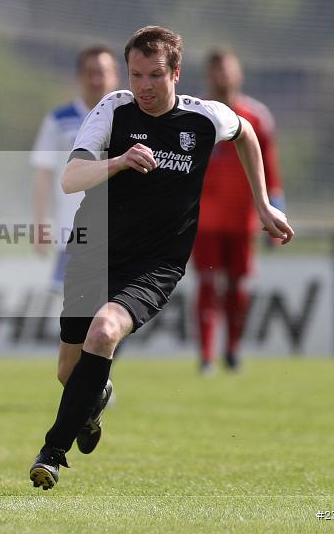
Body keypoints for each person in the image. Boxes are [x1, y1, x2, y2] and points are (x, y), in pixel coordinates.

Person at [29, 26, 293, 490]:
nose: (144, 86)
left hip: (156, 263)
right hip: (92, 248)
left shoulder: (204, 118)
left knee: (105, 330)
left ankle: (52, 452)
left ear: (175, 73)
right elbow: (71, 179)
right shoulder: (113, 109)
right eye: (135, 75)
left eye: (154, 75)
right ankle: (95, 398)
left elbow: (247, 131)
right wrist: (119, 161)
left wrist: (263, 202)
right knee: (69, 372)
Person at [193, 47, 284, 374]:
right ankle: (205, 356)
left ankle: (232, 352)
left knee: (238, 287)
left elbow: (270, 169)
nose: (223, 76)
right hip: (204, 221)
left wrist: (277, 208)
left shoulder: (257, 117)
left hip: (243, 220)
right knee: (207, 285)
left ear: (239, 73)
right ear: (209, 75)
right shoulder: (197, 114)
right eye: (216, 70)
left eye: (228, 70)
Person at [31, 46, 120, 291]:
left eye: (102, 72)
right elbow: (43, 173)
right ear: (79, 77)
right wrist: (40, 223)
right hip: (72, 233)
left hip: (118, 234)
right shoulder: (59, 119)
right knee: (74, 311)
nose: (96, 80)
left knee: (114, 311)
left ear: (115, 76)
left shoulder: (129, 118)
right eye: (90, 72)